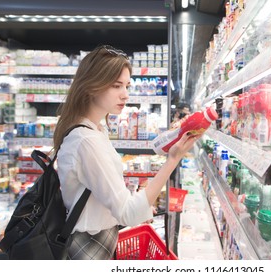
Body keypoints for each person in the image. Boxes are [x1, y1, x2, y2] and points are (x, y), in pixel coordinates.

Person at [52, 45, 199, 260]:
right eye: (116, 85)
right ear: (92, 86)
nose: (125, 94)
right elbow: (128, 213)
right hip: (88, 249)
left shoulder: (91, 130)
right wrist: (173, 159)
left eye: (127, 85)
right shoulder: (86, 140)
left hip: (95, 240)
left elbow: (106, 195)